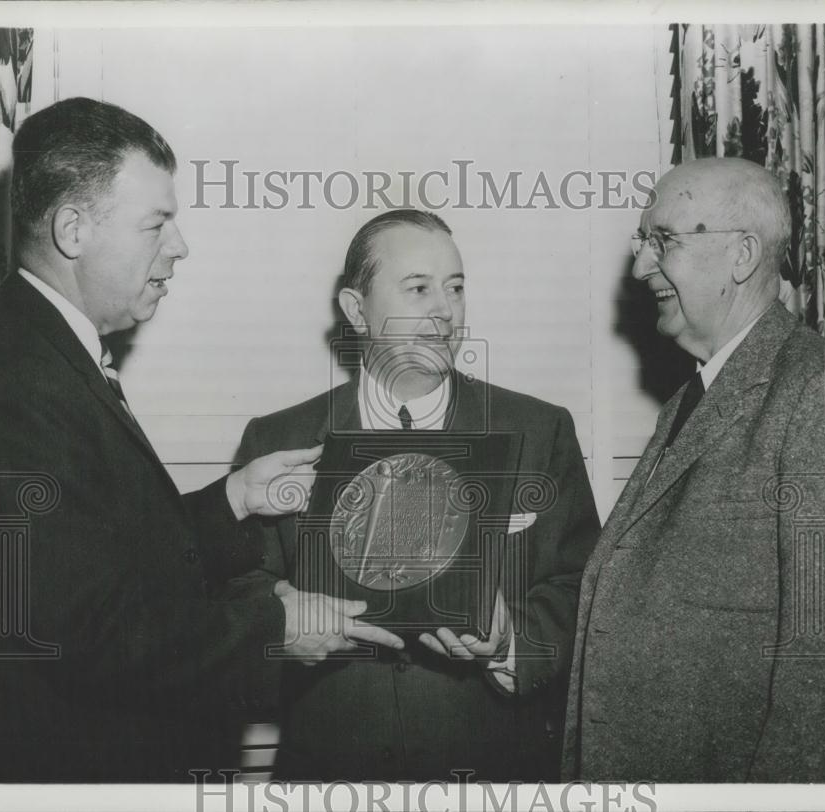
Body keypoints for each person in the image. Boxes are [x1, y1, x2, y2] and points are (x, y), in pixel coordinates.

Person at [0, 97, 390, 783]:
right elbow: (85, 634)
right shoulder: (18, 380)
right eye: (156, 225)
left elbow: (97, 556)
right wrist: (275, 632)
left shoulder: (41, 346)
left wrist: (234, 500)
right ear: (72, 231)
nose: (179, 247)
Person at [234, 209, 601, 781]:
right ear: (357, 310)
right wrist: (280, 614)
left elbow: (583, 584)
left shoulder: (538, 429)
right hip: (333, 772)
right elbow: (238, 588)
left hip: (492, 770)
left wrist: (511, 641)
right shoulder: (277, 439)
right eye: (418, 288)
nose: (443, 311)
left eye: (455, 288)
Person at [560, 157, 825, 783]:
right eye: (642, 242)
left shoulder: (822, 392)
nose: (639, 265)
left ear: (742, 255)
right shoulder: (693, 398)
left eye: (663, 241)